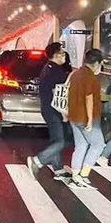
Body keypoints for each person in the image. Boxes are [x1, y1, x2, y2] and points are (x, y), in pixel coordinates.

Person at [28, 43, 71, 181]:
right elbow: (58, 94)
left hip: (48, 109)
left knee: (56, 139)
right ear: (56, 55)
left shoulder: (49, 68)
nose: (64, 55)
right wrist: (64, 113)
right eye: (63, 53)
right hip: (54, 110)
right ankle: (38, 160)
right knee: (60, 142)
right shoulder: (55, 70)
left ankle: (58, 170)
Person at [67, 49, 106, 189]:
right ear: (96, 63)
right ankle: (83, 175)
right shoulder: (90, 77)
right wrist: (90, 119)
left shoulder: (75, 74)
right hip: (85, 117)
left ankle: (75, 177)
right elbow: (88, 97)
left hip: (73, 116)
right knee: (98, 145)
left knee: (81, 146)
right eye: (100, 63)